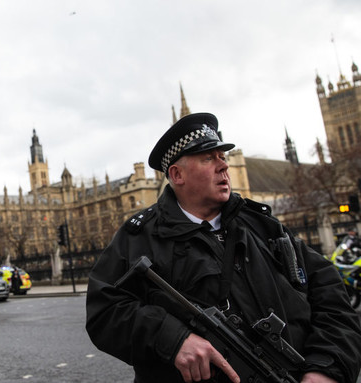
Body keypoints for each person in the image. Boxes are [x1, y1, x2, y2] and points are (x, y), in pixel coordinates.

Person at [86, 112, 361, 383]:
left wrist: (326, 367)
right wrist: (172, 339)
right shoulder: (140, 237)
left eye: (223, 157)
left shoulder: (263, 226)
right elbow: (105, 312)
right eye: (208, 158)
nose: (223, 166)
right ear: (177, 174)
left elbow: (330, 294)